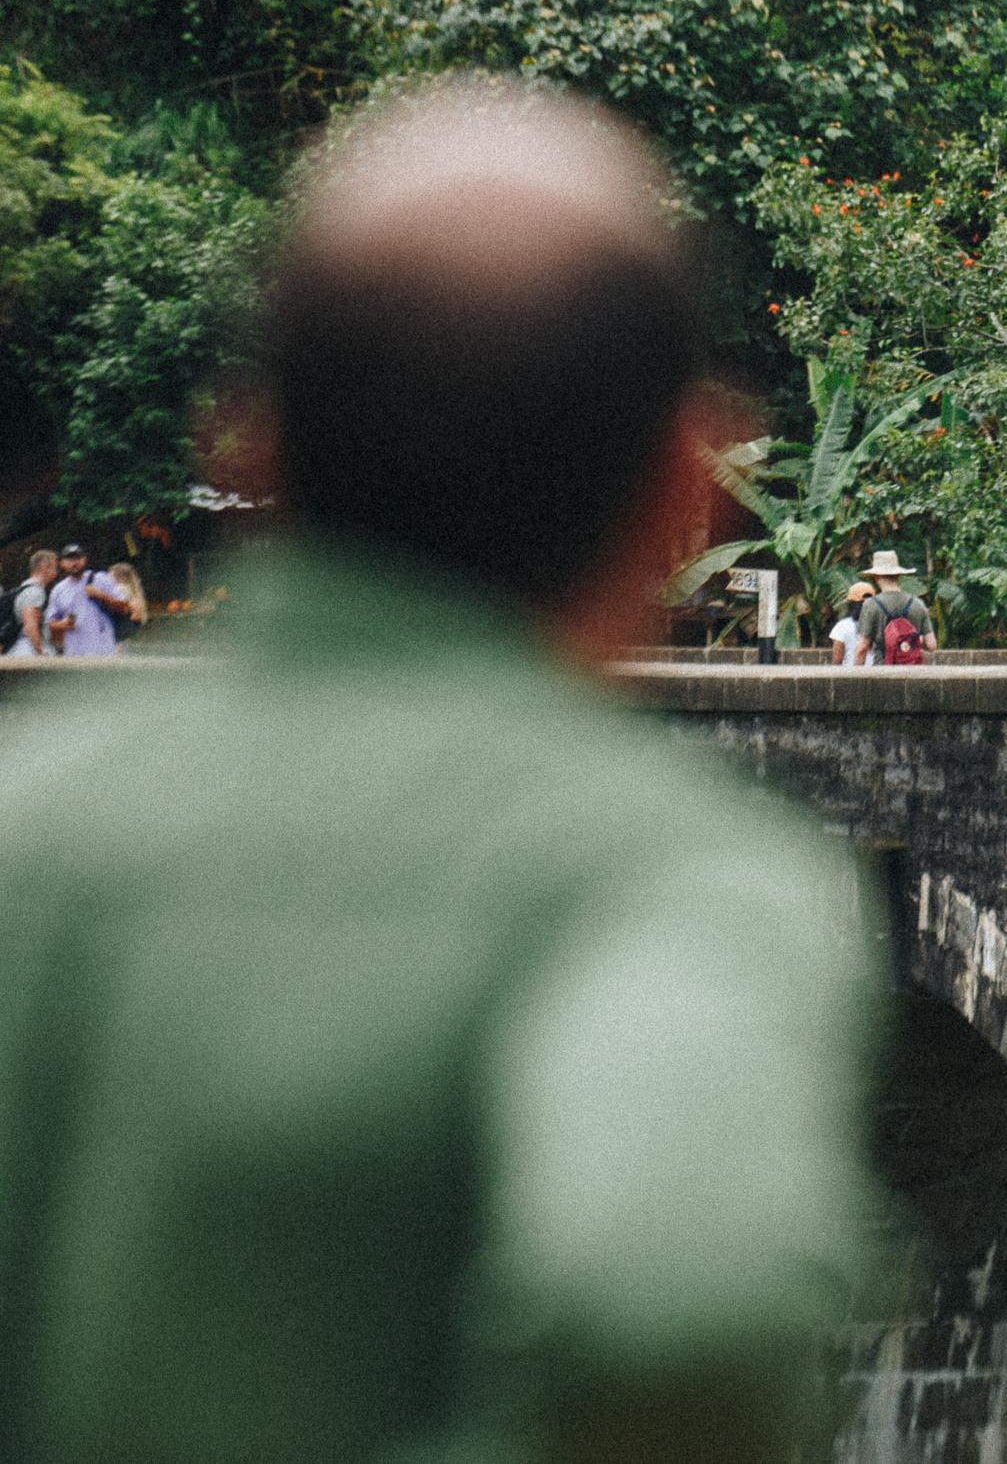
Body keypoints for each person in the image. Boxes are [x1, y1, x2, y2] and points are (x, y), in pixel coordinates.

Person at [0, 78, 881, 1464]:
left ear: (255, 459)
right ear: (688, 491)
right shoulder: (655, 868)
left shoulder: (29, 813)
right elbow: (680, 1304)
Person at [44, 541, 130, 656]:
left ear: (84, 559)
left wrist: (100, 595)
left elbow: (123, 608)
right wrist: (62, 624)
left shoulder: (101, 579)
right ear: (62, 563)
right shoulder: (58, 590)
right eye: (70, 559)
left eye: (77, 558)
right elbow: (51, 622)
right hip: (74, 653)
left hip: (103, 651)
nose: (74, 563)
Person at [848, 551, 933, 666]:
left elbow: (862, 648)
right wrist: (907, 640)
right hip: (913, 674)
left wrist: (856, 677)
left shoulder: (871, 605)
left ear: (877, 577)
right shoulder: (918, 604)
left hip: (883, 672)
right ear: (898, 575)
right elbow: (931, 645)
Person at [8, 548, 58, 656]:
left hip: (20, 646)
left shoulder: (23, 588)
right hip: (29, 649)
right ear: (45, 568)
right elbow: (30, 626)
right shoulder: (35, 591)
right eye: (54, 568)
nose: (56, 572)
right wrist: (41, 652)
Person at [830, 578, 877, 665]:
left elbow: (837, 660)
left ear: (850, 603)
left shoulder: (842, 626)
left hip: (849, 675)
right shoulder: (879, 623)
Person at [107, 563, 149, 640]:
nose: (107, 579)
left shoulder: (121, 589)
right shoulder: (133, 590)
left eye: (110, 576)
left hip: (121, 630)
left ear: (122, 578)